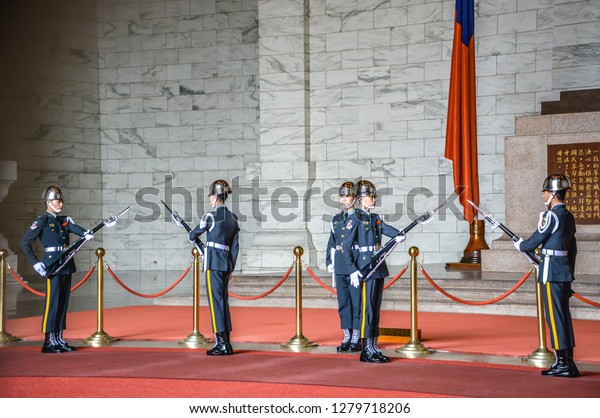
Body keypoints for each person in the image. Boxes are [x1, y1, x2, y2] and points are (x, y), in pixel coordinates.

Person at [514, 173, 579, 378]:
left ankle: (562, 364)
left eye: (544, 191)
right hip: (563, 271)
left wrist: (521, 245)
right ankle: (568, 362)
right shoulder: (568, 216)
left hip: (550, 271)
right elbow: (573, 249)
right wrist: (569, 275)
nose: (543, 195)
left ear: (552, 194)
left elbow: (537, 239)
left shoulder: (552, 215)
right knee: (563, 318)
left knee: (555, 319)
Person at [20, 186, 93, 353]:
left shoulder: (64, 220)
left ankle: (58, 339)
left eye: (61, 200)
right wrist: (36, 263)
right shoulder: (42, 221)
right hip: (53, 266)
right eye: (57, 200)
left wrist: (89, 233)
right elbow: (25, 242)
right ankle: (49, 341)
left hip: (66, 265)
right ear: (48, 203)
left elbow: (80, 231)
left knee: (62, 303)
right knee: (52, 304)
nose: (61, 203)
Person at [353, 180, 405, 363]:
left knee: (375, 310)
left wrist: (398, 234)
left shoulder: (375, 217)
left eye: (374, 195)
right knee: (367, 310)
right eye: (370, 195)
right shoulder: (354, 219)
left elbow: (384, 229)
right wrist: (353, 270)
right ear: (360, 198)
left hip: (377, 267)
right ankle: (366, 349)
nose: (373, 199)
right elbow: (346, 246)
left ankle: (374, 346)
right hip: (366, 268)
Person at [188, 180, 240, 356]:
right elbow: (235, 246)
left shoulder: (209, 217)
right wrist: (231, 267)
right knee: (223, 302)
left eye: (211, 195)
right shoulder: (233, 218)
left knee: (215, 303)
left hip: (213, 264)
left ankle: (222, 344)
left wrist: (194, 237)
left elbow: (193, 235)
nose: (210, 199)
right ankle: (227, 342)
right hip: (226, 264)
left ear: (216, 197)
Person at [326, 181, 362, 352]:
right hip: (340, 264)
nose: (343, 200)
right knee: (344, 302)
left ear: (355, 197)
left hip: (354, 264)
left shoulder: (361, 218)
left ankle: (356, 335)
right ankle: (347, 334)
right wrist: (329, 261)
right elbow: (332, 242)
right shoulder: (336, 219)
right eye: (342, 196)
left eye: (346, 196)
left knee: (356, 302)